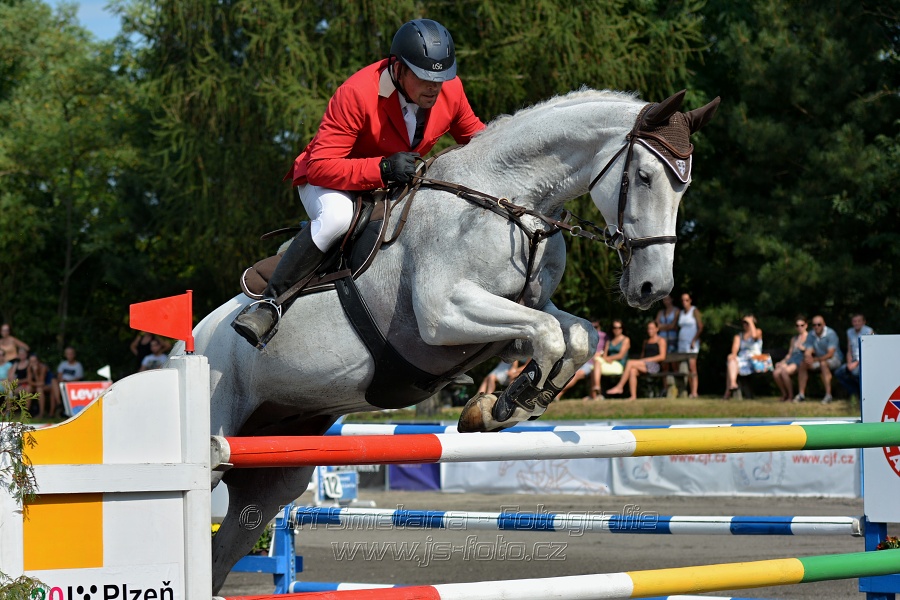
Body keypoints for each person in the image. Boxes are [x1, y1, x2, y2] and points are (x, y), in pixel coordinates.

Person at [232, 19, 486, 348]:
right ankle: (270, 305)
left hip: (386, 183)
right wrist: (382, 168)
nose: (434, 88)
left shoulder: (450, 90)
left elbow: (478, 141)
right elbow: (321, 166)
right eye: (424, 78)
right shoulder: (357, 93)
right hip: (329, 180)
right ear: (398, 68)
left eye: (440, 78)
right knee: (337, 219)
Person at [606, 321, 667, 401]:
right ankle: (633, 396)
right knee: (632, 370)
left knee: (630, 362)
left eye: (652, 328)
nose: (650, 330)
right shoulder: (646, 341)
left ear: (657, 329)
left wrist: (646, 360)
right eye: (648, 328)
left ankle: (620, 386)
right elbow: (642, 355)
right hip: (644, 365)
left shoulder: (661, 340)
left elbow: (662, 357)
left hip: (655, 366)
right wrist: (641, 361)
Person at [794, 315, 843, 404]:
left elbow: (830, 354)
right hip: (819, 360)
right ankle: (801, 395)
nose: (816, 327)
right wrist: (808, 357)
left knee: (824, 364)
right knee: (803, 364)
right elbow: (808, 350)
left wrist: (815, 359)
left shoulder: (831, 334)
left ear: (824, 324)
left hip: (834, 359)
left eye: (819, 324)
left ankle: (828, 395)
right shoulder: (811, 334)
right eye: (814, 325)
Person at [555, 320, 606, 400]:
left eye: (595, 327)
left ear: (599, 326)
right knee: (569, 374)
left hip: (593, 363)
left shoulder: (603, 336)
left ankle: (554, 392)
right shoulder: (586, 335)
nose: (594, 329)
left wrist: (601, 353)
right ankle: (557, 394)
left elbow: (606, 350)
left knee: (576, 375)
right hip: (584, 361)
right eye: (592, 327)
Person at [834, 313, 874, 399]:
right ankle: (855, 393)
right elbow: (849, 350)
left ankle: (864, 395)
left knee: (855, 373)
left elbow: (868, 352)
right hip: (853, 361)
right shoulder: (849, 332)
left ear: (864, 322)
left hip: (864, 361)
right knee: (839, 373)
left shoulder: (869, 331)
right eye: (854, 321)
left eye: (859, 321)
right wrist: (849, 363)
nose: (856, 323)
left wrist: (856, 364)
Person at [724, 315, 763, 399]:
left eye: (747, 323)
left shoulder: (758, 331)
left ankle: (727, 392)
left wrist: (750, 321)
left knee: (731, 365)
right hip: (743, 359)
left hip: (756, 359)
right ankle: (733, 384)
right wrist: (733, 355)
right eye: (744, 323)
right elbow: (734, 350)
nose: (745, 324)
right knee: (731, 359)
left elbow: (754, 336)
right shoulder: (739, 336)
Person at [590, 319, 631, 399]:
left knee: (594, 369)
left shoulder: (626, 340)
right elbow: (605, 354)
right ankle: (597, 388)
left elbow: (621, 355)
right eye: (614, 328)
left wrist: (609, 358)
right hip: (608, 362)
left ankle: (595, 394)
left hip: (619, 364)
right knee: (596, 362)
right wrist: (606, 358)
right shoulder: (609, 341)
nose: (617, 330)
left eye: (619, 328)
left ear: (622, 329)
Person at [772, 315, 809, 402]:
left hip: (801, 360)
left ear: (806, 325)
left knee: (784, 372)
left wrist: (803, 349)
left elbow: (812, 351)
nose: (799, 327)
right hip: (792, 359)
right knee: (776, 373)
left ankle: (790, 395)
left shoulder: (810, 337)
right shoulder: (794, 339)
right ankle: (784, 394)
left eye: (802, 325)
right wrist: (782, 362)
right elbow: (789, 354)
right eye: (797, 326)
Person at [676, 292, 702, 398]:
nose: (684, 302)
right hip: (681, 343)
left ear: (690, 300)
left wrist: (694, 340)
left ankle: (694, 391)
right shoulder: (681, 313)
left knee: (692, 367)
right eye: (682, 300)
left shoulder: (694, 311)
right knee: (683, 368)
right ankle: (686, 390)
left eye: (686, 300)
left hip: (691, 344)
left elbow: (700, 327)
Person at [50, 346, 84, 417]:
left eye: (71, 353)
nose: (69, 355)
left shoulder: (78, 365)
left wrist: (68, 381)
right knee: (53, 381)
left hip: (72, 386)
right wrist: (62, 380)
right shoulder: (63, 364)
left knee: (53, 391)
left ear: (74, 354)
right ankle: (59, 404)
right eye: (68, 354)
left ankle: (55, 410)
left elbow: (78, 379)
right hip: (61, 384)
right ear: (65, 355)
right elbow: (59, 376)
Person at [655, 296, 679, 372]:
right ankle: (665, 380)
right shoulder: (661, 312)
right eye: (664, 299)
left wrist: (662, 326)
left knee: (674, 362)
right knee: (664, 363)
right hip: (662, 340)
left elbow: (673, 325)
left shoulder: (676, 311)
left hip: (672, 340)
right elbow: (656, 326)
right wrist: (669, 326)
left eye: (668, 299)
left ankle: (677, 379)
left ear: (672, 299)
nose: (666, 301)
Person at [24, 353, 50, 418]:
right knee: (28, 388)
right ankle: (26, 412)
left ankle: (41, 413)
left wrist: (35, 373)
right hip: (36, 385)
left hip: (47, 384)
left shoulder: (43, 367)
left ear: (38, 361)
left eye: (34, 361)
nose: (33, 363)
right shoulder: (29, 368)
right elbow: (29, 381)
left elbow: (41, 382)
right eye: (31, 361)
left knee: (39, 389)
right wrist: (34, 384)